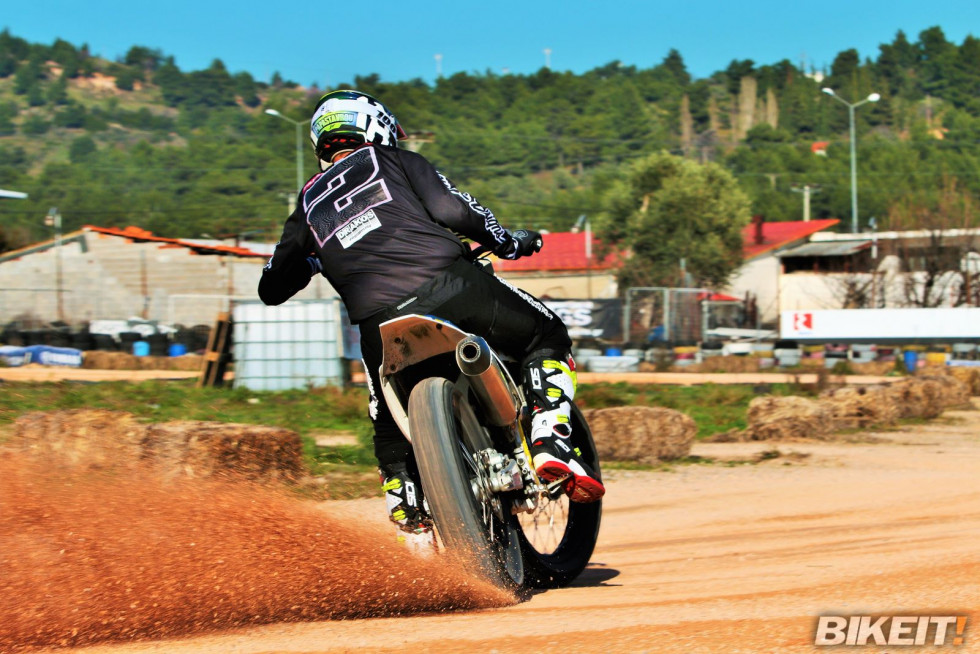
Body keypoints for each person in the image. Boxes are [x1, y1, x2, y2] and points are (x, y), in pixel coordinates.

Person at [258, 90, 604, 537]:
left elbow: (271, 287)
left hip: (374, 322)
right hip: (449, 286)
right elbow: (452, 209)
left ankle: (401, 492)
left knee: (384, 402)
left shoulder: (307, 203)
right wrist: (506, 240)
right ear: (376, 127)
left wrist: (312, 259)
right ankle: (550, 437)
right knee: (547, 334)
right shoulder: (393, 160)